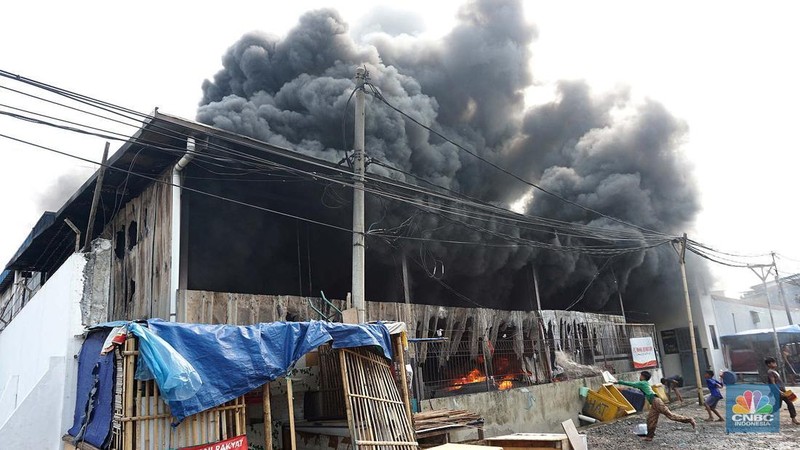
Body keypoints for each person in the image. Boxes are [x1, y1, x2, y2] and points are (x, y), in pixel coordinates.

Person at [617, 371, 696, 441]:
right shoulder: (645, 383)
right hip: (654, 403)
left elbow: (631, 384)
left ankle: (689, 419)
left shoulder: (642, 383)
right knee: (650, 419)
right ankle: (650, 436)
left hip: (656, 402)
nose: (639, 377)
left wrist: (618, 381)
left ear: (643, 377)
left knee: (670, 416)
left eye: (640, 375)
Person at [765, 357, 800, 425]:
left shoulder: (774, 371)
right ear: (769, 364)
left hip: (783, 390)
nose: (775, 364)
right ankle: (768, 415)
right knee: (778, 405)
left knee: (790, 403)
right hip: (779, 391)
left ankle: (793, 419)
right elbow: (773, 383)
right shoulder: (770, 372)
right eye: (773, 362)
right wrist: (779, 391)